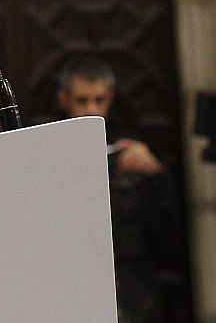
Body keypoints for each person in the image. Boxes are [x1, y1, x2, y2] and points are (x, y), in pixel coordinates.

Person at [55, 56, 178, 323]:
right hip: (70, 271)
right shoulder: (48, 148)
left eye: (99, 100)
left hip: (130, 276)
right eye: (82, 100)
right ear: (65, 99)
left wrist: (156, 172)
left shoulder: (129, 146)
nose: (91, 109)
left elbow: (164, 219)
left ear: (110, 98)